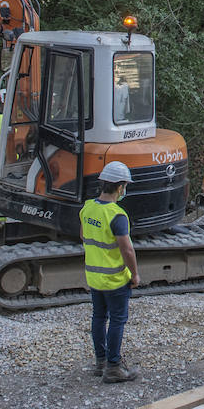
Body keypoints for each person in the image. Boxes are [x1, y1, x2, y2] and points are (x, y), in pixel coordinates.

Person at [81, 161, 140, 383]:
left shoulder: (88, 208)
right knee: (116, 320)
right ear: (120, 187)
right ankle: (113, 368)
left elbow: (83, 236)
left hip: (94, 277)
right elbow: (127, 249)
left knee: (98, 317)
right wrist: (134, 274)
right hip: (115, 280)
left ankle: (101, 362)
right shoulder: (117, 215)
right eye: (124, 186)